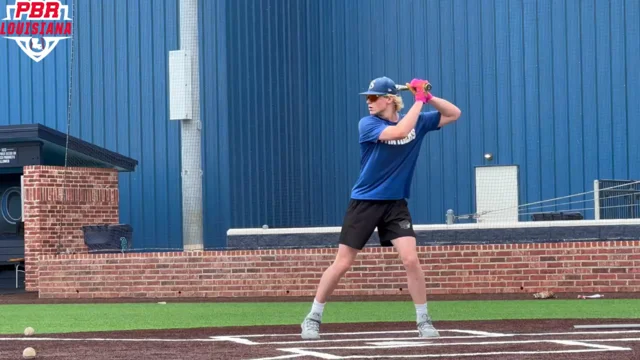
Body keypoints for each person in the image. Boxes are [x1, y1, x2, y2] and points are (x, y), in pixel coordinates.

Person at [300, 76, 462, 340]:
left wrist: (428, 97)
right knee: (343, 263)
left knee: (410, 259)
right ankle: (313, 317)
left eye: (374, 97)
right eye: (368, 98)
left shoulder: (417, 120)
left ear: (389, 99)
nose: (369, 102)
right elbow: (399, 132)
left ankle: (424, 320)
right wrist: (419, 102)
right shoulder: (368, 124)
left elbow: (454, 113)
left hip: (395, 203)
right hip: (364, 202)